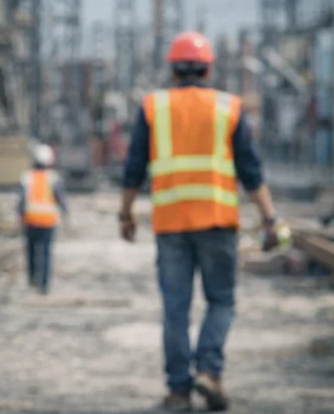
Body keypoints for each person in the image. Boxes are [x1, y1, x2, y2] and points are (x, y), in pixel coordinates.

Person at [119, 31, 282, 412]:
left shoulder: (152, 107)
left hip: (171, 223)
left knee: (175, 307)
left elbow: (133, 169)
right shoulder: (229, 107)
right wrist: (269, 218)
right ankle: (209, 372)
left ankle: (178, 391)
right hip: (218, 221)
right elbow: (251, 171)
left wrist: (125, 215)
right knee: (221, 300)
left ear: (173, 69)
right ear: (208, 69)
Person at [18, 143, 68, 295]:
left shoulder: (26, 177)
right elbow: (60, 198)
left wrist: (20, 215)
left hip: (31, 220)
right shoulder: (53, 178)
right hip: (47, 221)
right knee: (45, 253)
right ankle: (44, 285)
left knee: (31, 251)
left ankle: (32, 279)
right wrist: (65, 212)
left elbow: (21, 201)